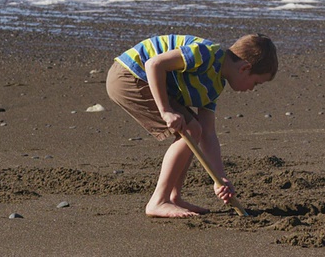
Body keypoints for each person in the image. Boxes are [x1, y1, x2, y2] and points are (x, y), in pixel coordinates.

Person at [106, 33, 278, 218]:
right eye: (256, 83)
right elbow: (153, 64)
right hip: (129, 75)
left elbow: (208, 133)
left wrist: (220, 178)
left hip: (147, 80)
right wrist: (165, 110)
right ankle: (158, 201)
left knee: (194, 130)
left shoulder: (215, 85)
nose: (252, 89)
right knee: (190, 130)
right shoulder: (205, 54)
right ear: (245, 68)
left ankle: (174, 197)